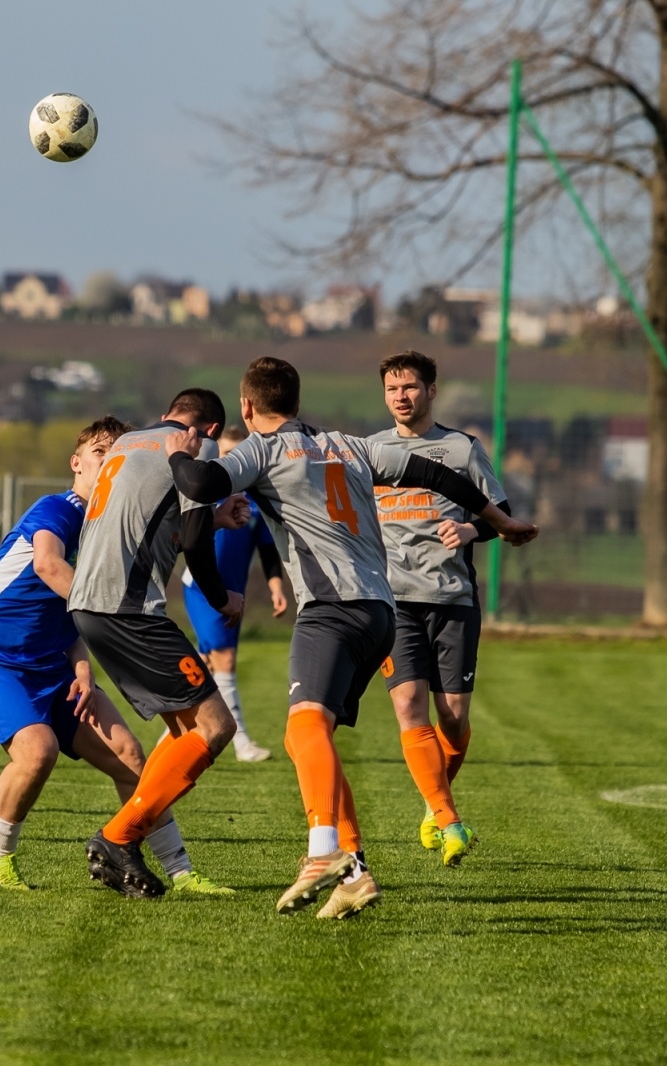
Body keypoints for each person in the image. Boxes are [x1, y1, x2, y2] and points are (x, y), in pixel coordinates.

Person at [166, 357, 536, 918]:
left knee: (305, 724)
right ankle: (355, 871)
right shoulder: (347, 444)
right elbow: (436, 474)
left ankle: (323, 854)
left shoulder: (263, 449)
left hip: (332, 609)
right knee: (308, 739)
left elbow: (198, 482)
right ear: (296, 398)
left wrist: (173, 445)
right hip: (382, 611)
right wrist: (501, 523)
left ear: (247, 407)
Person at [0, 415, 229, 895]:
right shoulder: (60, 508)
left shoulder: (110, 524)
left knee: (131, 758)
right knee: (37, 751)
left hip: (55, 663)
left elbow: (79, 611)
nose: (109, 462)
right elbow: (47, 564)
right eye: (99, 452)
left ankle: (182, 872)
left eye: (116, 454)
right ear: (76, 463)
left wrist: (81, 667)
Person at [66, 388, 250, 899]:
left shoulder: (128, 443)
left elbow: (151, 522)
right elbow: (191, 541)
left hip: (88, 605)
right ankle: (117, 837)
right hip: (128, 608)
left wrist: (213, 516)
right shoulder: (194, 447)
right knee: (217, 726)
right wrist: (222, 597)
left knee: (184, 729)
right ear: (211, 429)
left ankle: (143, 851)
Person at [370, 351, 510, 855]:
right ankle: (449, 820)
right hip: (394, 602)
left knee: (451, 717)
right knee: (408, 704)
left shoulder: (461, 448)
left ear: (431, 390)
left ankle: (434, 805)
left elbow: (503, 515)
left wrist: (472, 527)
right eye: (391, 389)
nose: (400, 397)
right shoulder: (368, 452)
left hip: (452, 598)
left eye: (409, 387)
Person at [179, 424, 289, 762]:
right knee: (224, 660)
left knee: (209, 665)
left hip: (235, 594)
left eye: (237, 455)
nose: (230, 462)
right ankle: (241, 743)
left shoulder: (255, 501)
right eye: (224, 454)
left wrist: (276, 587)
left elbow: (267, 549)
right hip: (203, 589)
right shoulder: (206, 496)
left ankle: (178, 733)